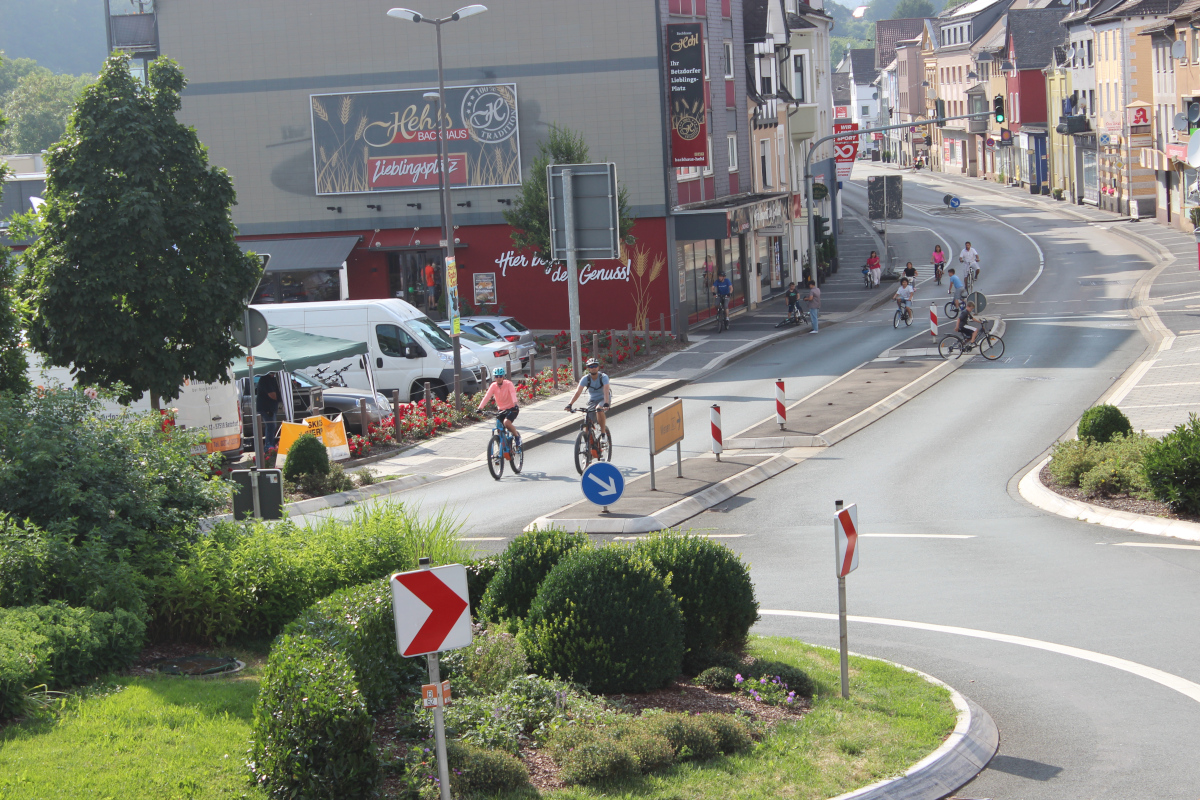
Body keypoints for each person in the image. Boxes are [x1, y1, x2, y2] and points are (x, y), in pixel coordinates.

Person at [565, 358, 612, 436]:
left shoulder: (604, 377)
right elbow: (578, 392)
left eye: (595, 366)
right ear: (588, 368)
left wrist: (606, 403)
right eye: (591, 366)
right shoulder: (585, 379)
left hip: (604, 398)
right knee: (587, 422)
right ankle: (588, 443)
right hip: (592, 400)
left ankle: (603, 433)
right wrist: (570, 404)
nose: (593, 368)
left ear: (598, 367)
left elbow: (606, 391)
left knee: (598, 409)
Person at [477, 366, 521, 447]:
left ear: (503, 376)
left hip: (512, 408)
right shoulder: (493, 385)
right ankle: (502, 448)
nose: (498, 378)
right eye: (496, 376)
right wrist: (480, 408)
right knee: (499, 427)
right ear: (494, 377)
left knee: (506, 423)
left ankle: (517, 436)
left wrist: (515, 404)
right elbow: (487, 396)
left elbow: (513, 394)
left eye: (500, 376)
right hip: (501, 409)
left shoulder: (509, 384)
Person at [255, 371, 281, 449]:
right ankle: (269, 446)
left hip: (271, 407)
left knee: (271, 426)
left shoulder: (273, 379)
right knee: (271, 426)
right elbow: (272, 394)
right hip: (266, 408)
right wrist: (281, 398)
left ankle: (270, 445)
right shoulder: (265, 379)